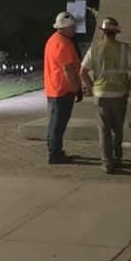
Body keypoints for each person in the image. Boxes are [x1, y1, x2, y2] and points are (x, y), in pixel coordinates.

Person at [80, 17, 131, 174]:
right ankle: (117, 158)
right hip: (120, 94)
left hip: (101, 95)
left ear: (103, 32)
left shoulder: (94, 49)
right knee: (117, 128)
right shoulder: (124, 48)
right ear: (116, 33)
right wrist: (128, 85)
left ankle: (107, 162)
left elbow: (82, 72)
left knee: (104, 130)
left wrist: (91, 87)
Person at [43, 11, 82, 165]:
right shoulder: (63, 43)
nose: (74, 29)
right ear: (64, 28)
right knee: (58, 124)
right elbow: (68, 70)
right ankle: (55, 154)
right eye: (72, 27)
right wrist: (77, 88)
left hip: (54, 89)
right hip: (63, 90)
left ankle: (54, 150)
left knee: (54, 122)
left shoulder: (54, 40)